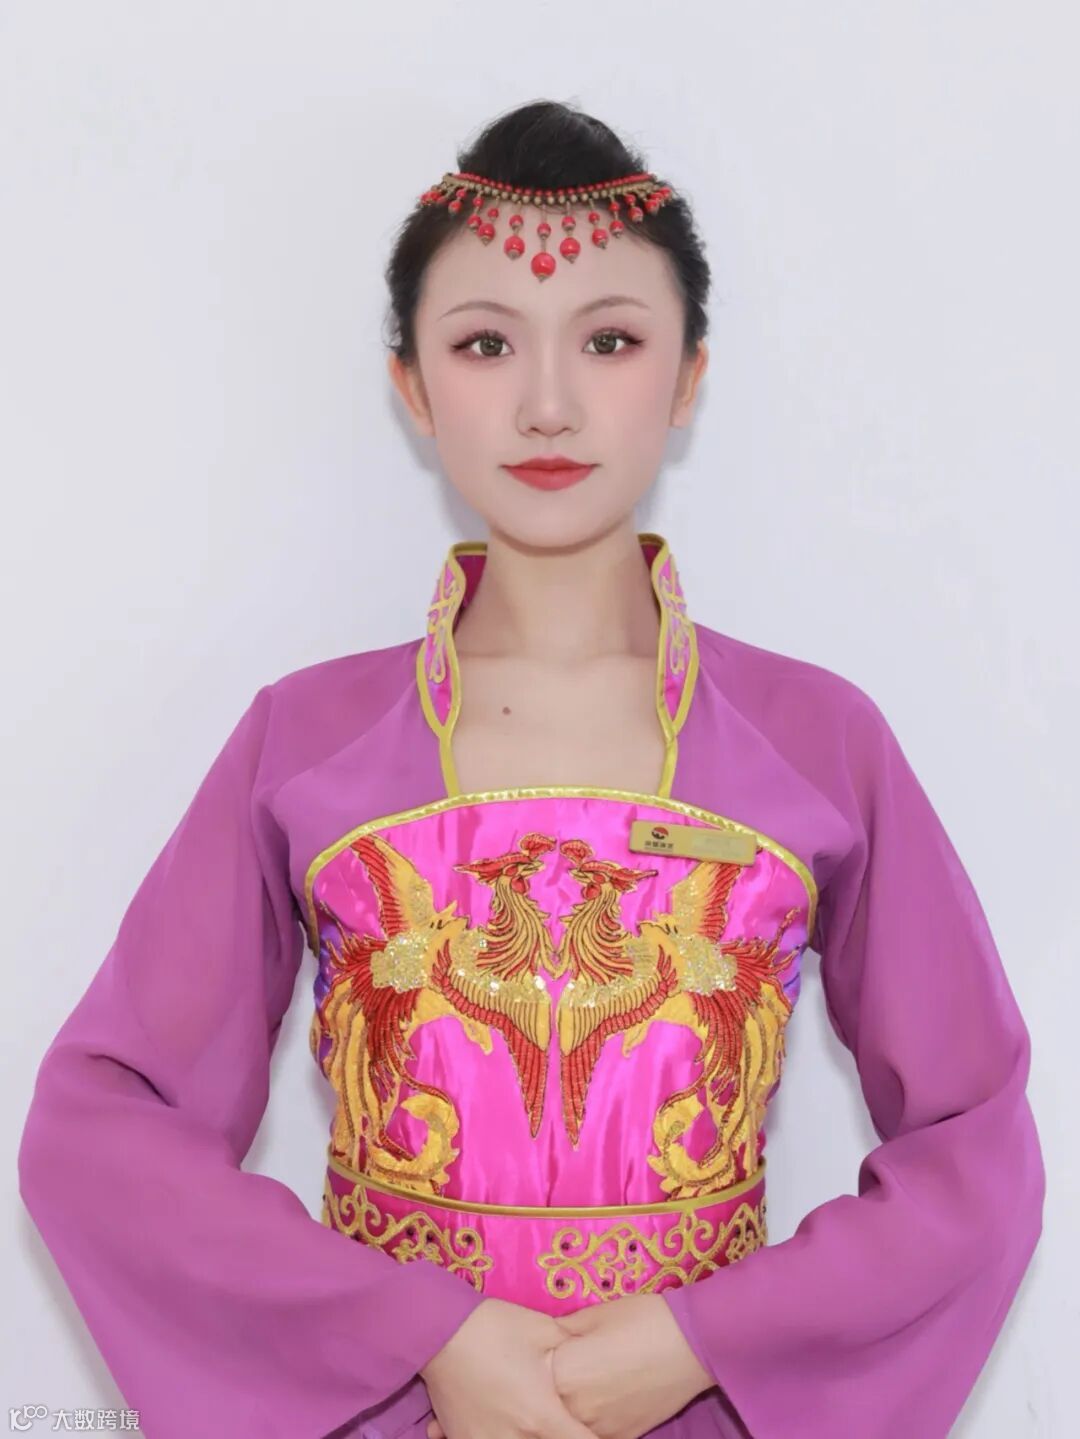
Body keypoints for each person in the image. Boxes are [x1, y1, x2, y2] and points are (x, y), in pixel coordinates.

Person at [18, 99, 1044, 1439]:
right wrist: (422, 1333)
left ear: (687, 378)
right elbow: (100, 1133)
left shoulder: (817, 743)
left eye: (609, 342)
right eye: (485, 344)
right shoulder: (305, 742)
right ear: (412, 387)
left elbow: (975, 1150)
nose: (549, 404)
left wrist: (703, 1337)